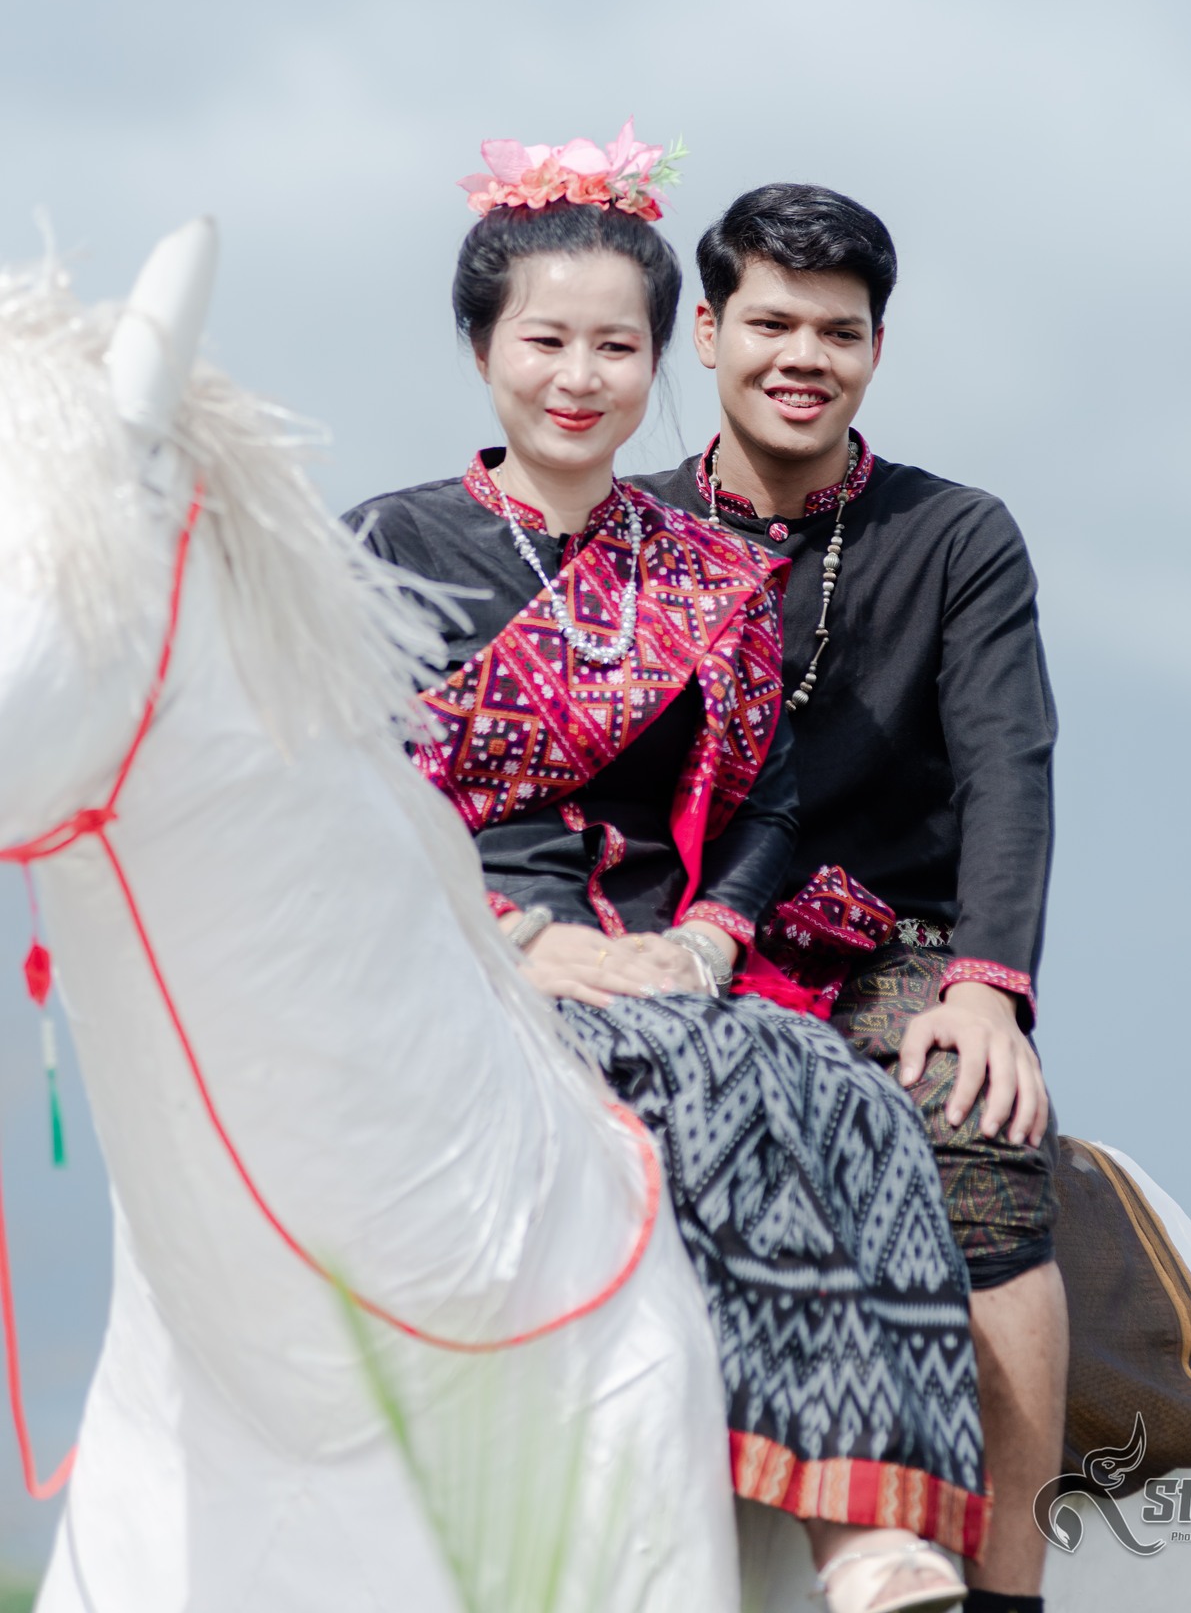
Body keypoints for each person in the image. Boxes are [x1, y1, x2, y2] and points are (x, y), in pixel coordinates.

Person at [347, 128, 986, 1613]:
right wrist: (521, 943)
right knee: (700, 1071)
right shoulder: (384, 549)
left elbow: (770, 805)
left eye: (615, 347)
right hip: (456, 948)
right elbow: (341, 798)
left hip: (666, 962)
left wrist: (703, 944)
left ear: (662, 357)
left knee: (840, 1088)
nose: (580, 378)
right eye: (545, 341)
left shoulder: (703, 567)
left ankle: (865, 1525)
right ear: (483, 349)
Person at [640, 183, 1067, 1613]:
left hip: (894, 949)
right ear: (709, 332)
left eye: (839, 331)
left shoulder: (958, 534)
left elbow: (1010, 766)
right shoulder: (628, 531)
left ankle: (1003, 1590)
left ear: (877, 347)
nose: (803, 357)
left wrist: (988, 989)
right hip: (672, 942)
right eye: (772, 323)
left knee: (981, 1145)